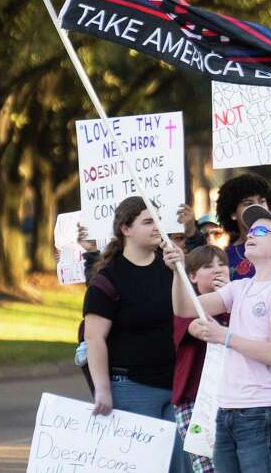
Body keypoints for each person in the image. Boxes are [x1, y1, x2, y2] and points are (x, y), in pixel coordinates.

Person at [164, 205, 271, 473]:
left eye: (261, 230)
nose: (251, 234)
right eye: (250, 230)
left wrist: (225, 336)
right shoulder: (239, 287)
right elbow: (185, 307)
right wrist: (177, 271)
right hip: (225, 408)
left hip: (259, 410)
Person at [82, 196, 188, 473]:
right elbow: (94, 338)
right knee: (145, 466)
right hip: (132, 388)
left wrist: (179, 271)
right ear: (126, 229)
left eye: (158, 220)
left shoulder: (169, 267)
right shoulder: (109, 279)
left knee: (181, 464)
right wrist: (103, 389)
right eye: (148, 221)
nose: (157, 227)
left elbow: (184, 312)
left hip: (175, 385)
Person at [172, 245, 230, 473]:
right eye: (208, 266)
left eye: (222, 264)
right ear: (193, 276)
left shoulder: (242, 302)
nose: (217, 270)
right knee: (207, 468)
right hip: (195, 402)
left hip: (233, 401)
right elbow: (199, 328)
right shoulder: (188, 306)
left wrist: (231, 301)